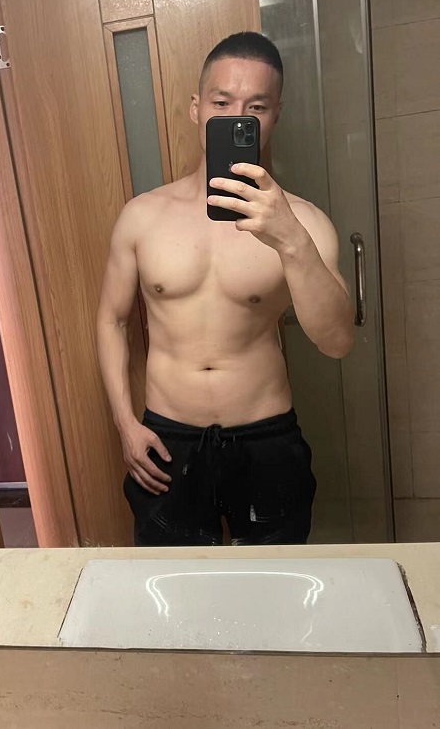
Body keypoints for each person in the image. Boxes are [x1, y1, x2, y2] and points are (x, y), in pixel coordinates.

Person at [96, 31, 355, 547]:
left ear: (275, 114)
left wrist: (290, 241)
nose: (238, 118)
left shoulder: (304, 223)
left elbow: (337, 341)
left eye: (255, 106)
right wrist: (126, 424)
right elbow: (112, 319)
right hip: (167, 437)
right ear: (197, 109)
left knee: (274, 585)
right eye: (221, 103)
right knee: (174, 585)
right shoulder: (143, 216)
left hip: (265, 436)